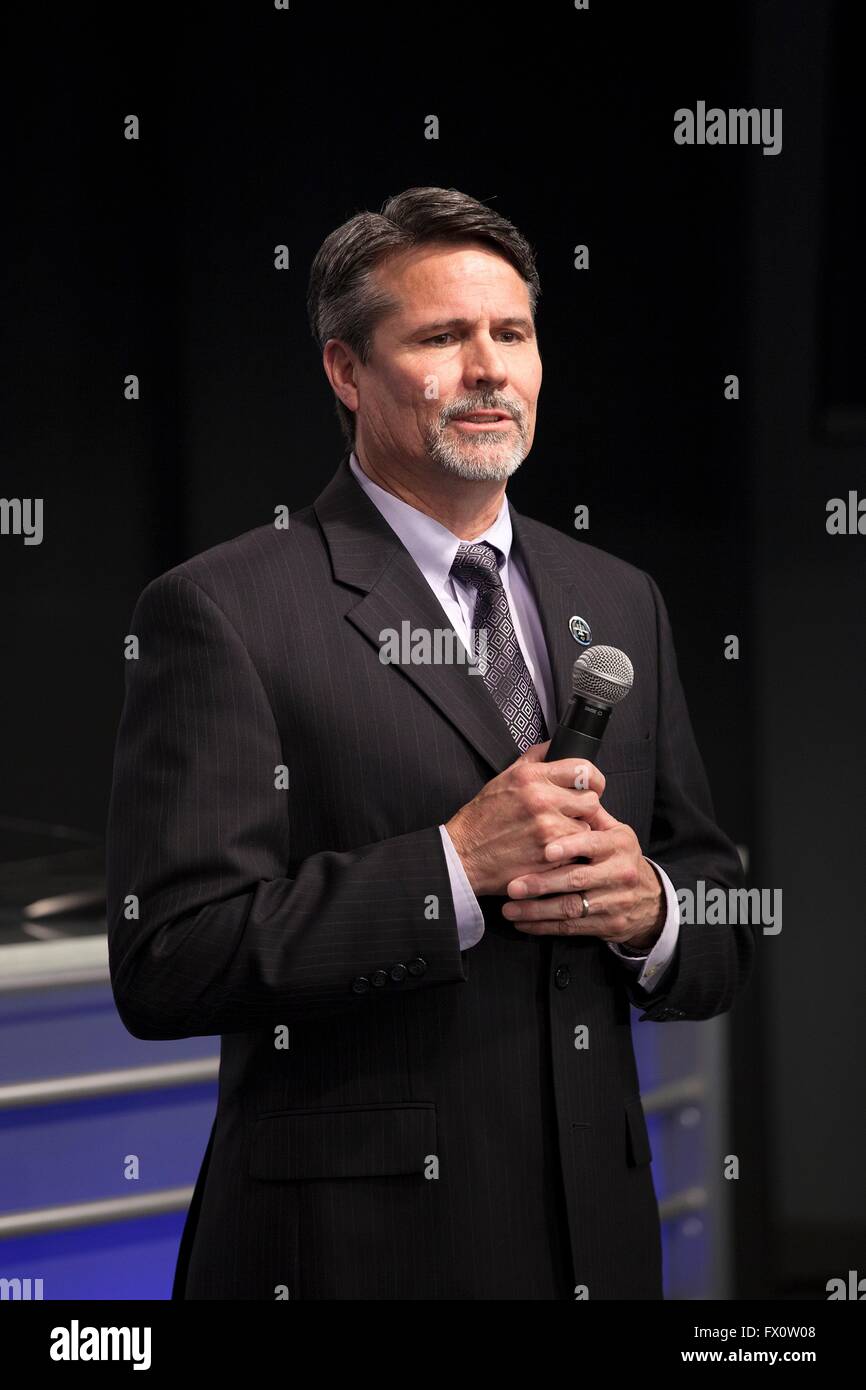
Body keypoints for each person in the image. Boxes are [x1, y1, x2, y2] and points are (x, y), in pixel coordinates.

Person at [105, 185, 754, 1300]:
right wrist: (451, 865)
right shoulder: (223, 610)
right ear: (345, 372)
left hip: (594, 1243)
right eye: (441, 337)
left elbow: (717, 914)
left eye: (511, 333)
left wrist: (652, 909)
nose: (488, 367)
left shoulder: (620, 596)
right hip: (356, 1256)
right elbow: (167, 958)